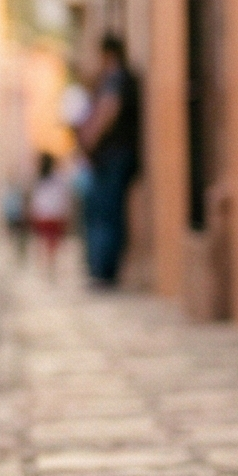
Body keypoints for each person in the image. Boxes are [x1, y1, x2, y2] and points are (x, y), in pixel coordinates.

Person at [76, 35, 142, 290]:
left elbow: (108, 110)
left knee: (106, 213)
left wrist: (88, 140)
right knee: (111, 213)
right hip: (118, 156)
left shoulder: (114, 79)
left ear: (107, 54)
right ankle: (107, 271)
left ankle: (104, 272)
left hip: (112, 156)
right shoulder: (123, 78)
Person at [28, 151, 74, 281]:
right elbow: (63, 197)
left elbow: (36, 199)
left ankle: (46, 266)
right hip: (54, 214)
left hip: (43, 215)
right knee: (52, 242)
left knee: (44, 241)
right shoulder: (57, 178)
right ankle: (50, 265)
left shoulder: (39, 179)